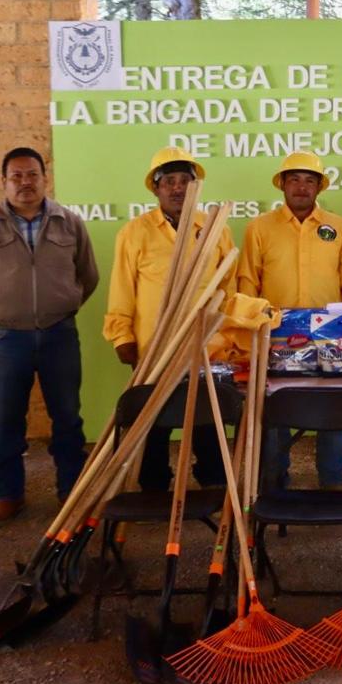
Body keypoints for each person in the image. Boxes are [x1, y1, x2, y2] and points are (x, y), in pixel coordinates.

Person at [0, 147, 99, 527]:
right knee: (7, 419)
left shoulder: (69, 223)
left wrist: (62, 306)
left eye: (32, 174)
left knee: (67, 418)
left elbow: (88, 277)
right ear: (4, 181)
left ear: (44, 178)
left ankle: (71, 493)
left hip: (59, 335)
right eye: (16, 176)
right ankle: (8, 496)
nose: (25, 182)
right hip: (7, 339)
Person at [103, 146, 233, 492]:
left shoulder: (215, 228)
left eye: (185, 181)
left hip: (206, 346)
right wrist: (122, 338)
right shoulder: (135, 232)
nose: (178, 188)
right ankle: (154, 488)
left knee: (207, 421)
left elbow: (228, 288)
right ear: (156, 188)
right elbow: (122, 289)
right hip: (153, 347)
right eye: (169, 181)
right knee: (153, 422)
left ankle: (214, 485)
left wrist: (231, 336)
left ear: (196, 187)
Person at [238, 151, 342, 489]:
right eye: (294, 179)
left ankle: (332, 486)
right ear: (282, 184)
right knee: (275, 416)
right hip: (276, 337)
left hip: (329, 339)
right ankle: (273, 487)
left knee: (331, 414)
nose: (301, 187)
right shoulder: (260, 228)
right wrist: (256, 326)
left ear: (319, 187)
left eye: (310, 180)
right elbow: (247, 283)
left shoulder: (337, 227)